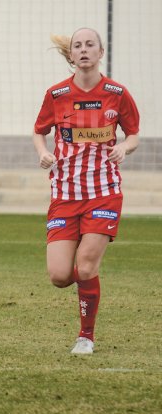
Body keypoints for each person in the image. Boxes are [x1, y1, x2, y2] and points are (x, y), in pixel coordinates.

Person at [33, 27, 139, 355]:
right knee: (60, 276)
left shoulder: (117, 93)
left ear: (100, 52)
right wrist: (43, 152)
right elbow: (38, 131)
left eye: (89, 44)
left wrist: (124, 147)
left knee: (88, 266)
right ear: (71, 55)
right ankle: (82, 248)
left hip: (103, 191)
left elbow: (134, 134)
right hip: (65, 194)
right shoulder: (57, 95)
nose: (83, 50)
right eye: (77, 45)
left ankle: (86, 337)